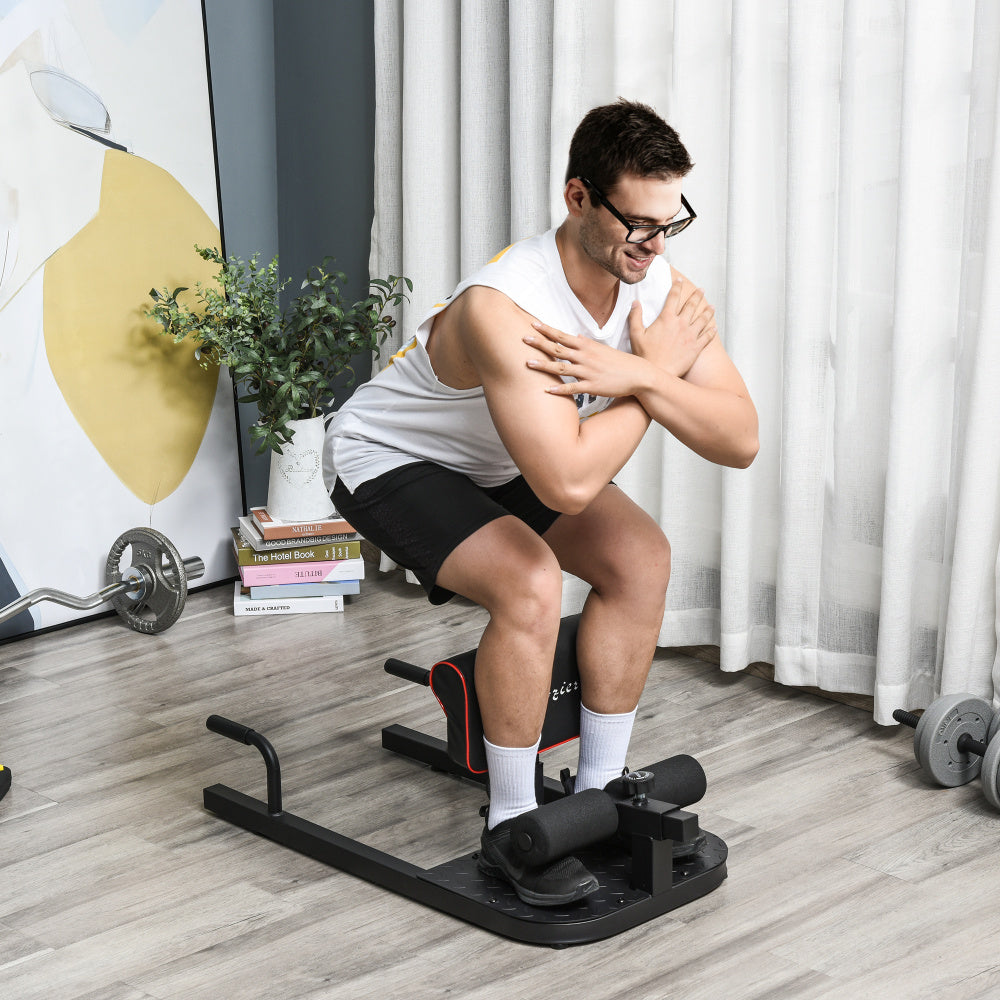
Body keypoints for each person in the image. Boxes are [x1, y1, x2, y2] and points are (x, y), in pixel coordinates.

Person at [324, 99, 758, 907]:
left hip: (510, 455)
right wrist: (649, 379)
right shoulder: (506, 308)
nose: (654, 245)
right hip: (392, 457)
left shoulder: (657, 289)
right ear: (578, 199)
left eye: (671, 223)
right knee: (530, 581)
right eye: (637, 224)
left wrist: (642, 373)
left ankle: (601, 796)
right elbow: (564, 485)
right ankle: (513, 824)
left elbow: (740, 439)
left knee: (641, 559)